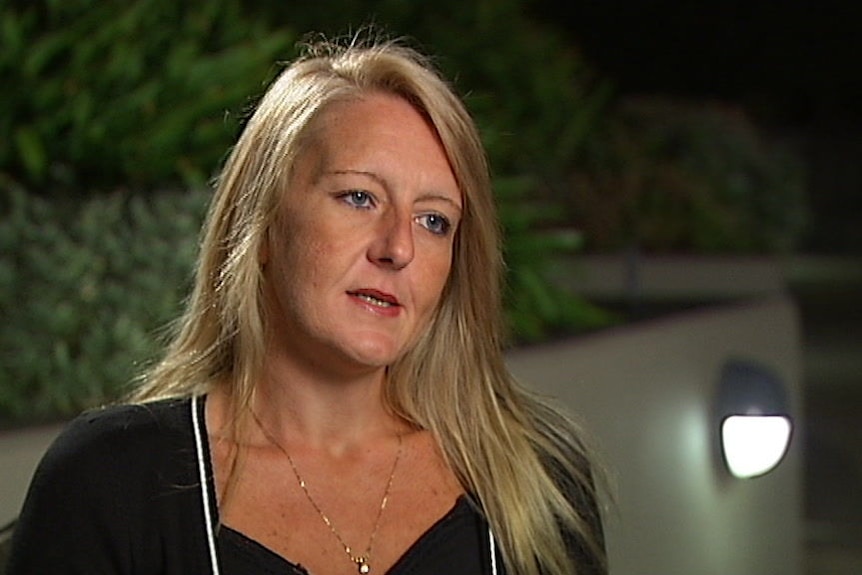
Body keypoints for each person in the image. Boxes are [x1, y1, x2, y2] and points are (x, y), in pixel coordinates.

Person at [8, 36, 606, 575]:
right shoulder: (111, 481)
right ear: (262, 224)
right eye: (358, 197)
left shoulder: (532, 482)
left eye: (433, 221)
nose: (398, 247)